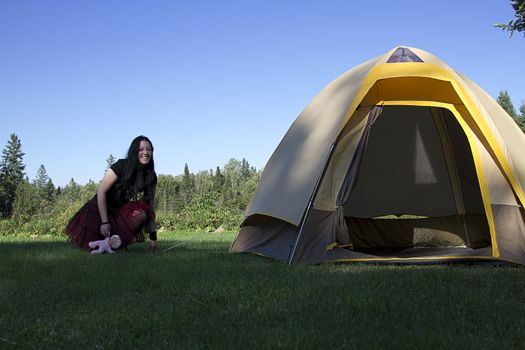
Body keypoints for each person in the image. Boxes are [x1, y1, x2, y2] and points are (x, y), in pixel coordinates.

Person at [65, 135, 158, 252]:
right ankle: (109, 241)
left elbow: (150, 206)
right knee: (90, 245)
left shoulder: (151, 176)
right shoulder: (121, 166)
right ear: (134, 152)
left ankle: (116, 242)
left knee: (142, 213)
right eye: (141, 149)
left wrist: (153, 237)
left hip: (119, 212)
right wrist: (104, 222)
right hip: (98, 211)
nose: (145, 152)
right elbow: (101, 192)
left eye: (148, 149)